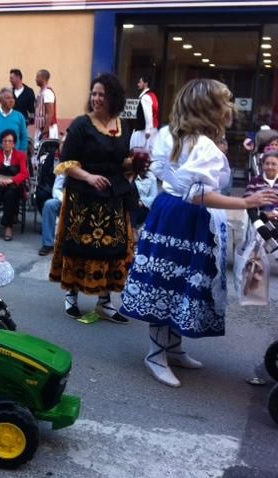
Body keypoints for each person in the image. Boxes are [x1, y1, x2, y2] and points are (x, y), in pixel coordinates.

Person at [119, 79, 278, 388]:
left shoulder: (169, 134)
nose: (230, 108)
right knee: (173, 281)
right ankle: (156, 354)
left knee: (173, 280)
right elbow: (196, 193)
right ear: (210, 109)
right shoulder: (204, 146)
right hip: (187, 216)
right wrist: (246, 201)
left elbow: (163, 173)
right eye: (225, 102)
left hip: (168, 211)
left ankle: (171, 348)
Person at [49, 73, 133, 324]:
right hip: (83, 197)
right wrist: (88, 176)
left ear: (113, 98)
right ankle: (71, 296)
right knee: (79, 246)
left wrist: (136, 164)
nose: (96, 98)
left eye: (101, 94)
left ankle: (104, 302)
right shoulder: (81, 125)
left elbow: (121, 162)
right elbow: (66, 163)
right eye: (93, 94)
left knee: (111, 249)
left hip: (113, 197)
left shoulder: (122, 125)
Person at [0, 130, 29, 241]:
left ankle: (8, 226)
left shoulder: (20, 156)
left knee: (11, 194)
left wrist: (11, 180)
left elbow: (24, 173)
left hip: (13, 184)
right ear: (1, 143)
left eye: (10, 141)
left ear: (14, 144)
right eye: (5, 141)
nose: (7, 143)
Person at [0, 87, 28, 160]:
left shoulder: (19, 116)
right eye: (8, 98)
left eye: (12, 98)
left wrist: (21, 153)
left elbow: (24, 137)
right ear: (1, 101)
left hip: (14, 157)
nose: (11, 100)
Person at [244, 150, 278, 223]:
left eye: (274, 164)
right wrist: (263, 215)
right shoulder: (254, 181)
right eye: (267, 163)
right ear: (262, 165)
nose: (270, 167)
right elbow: (248, 203)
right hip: (259, 224)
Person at [129, 75, 159, 151]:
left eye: (140, 82)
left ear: (146, 83)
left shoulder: (145, 97)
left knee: (140, 155)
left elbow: (148, 114)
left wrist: (148, 131)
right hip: (151, 130)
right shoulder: (152, 95)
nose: (138, 84)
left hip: (144, 133)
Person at [38, 174, 65, 256]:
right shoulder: (66, 166)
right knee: (49, 205)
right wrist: (64, 200)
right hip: (64, 199)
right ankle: (48, 244)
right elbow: (56, 188)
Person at [34, 69, 58, 148]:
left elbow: (50, 112)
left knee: (46, 154)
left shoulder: (47, 92)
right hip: (41, 128)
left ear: (43, 78)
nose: (35, 79)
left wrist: (46, 130)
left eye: (37, 77)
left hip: (47, 129)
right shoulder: (41, 92)